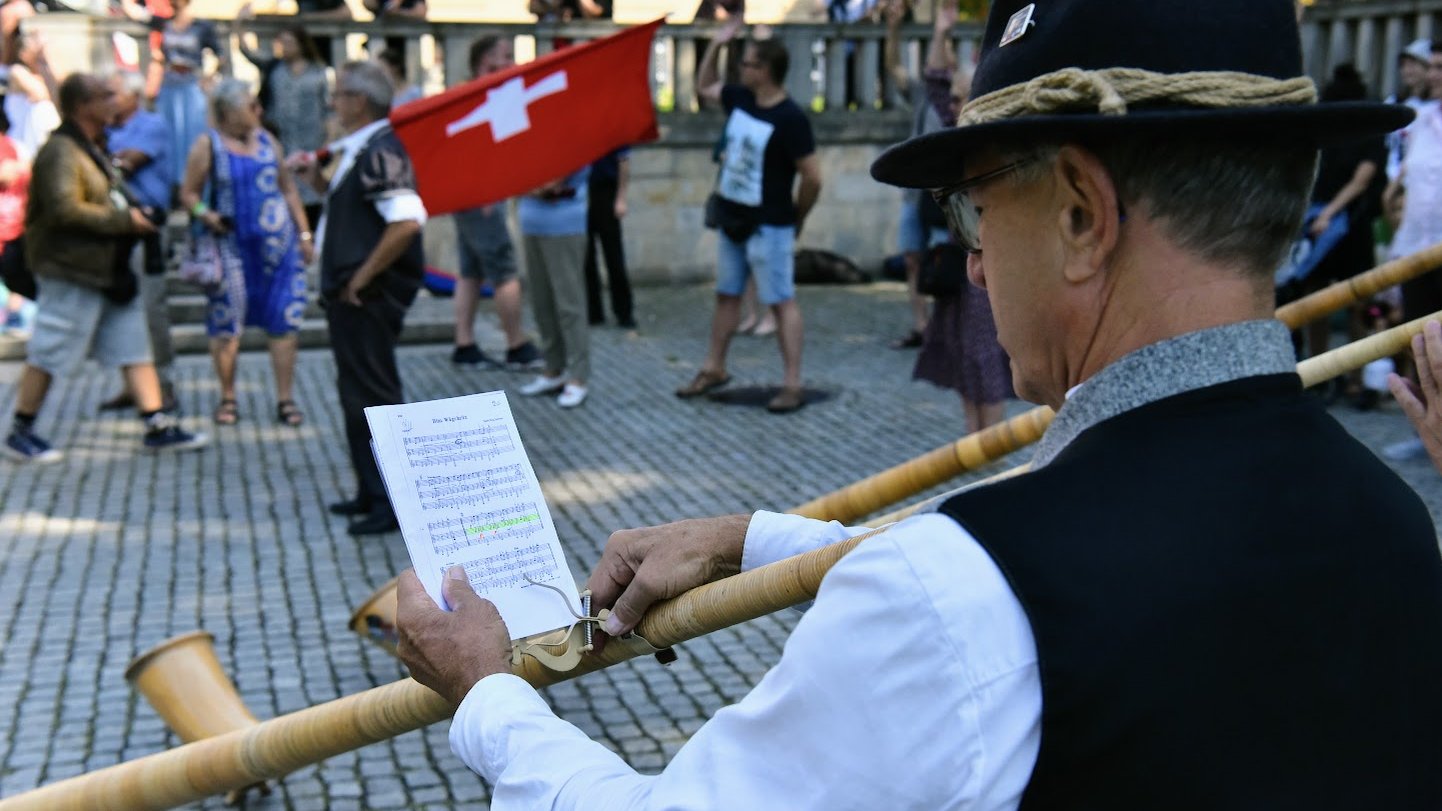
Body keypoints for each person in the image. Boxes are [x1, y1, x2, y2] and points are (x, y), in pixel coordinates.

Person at [395, 1, 1442, 807]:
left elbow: (976, 608)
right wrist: (753, 539)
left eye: (975, 204)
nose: (973, 264)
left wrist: (489, 694)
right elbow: (1051, 597)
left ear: (1080, 215)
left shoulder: (965, 587)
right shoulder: (1392, 520)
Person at [4, 73, 206, 462]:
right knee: (50, 349)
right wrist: (126, 221)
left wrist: (128, 216)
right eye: (106, 95)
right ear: (84, 106)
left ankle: (156, 423)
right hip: (73, 269)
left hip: (108, 269)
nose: (116, 102)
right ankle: (20, 431)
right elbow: (64, 210)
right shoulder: (62, 151)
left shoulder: (92, 147)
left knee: (133, 345)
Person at [293, 60, 425, 536]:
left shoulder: (381, 149)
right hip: (352, 297)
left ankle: (393, 505)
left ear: (360, 101)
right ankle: (371, 492)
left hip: (366, 298)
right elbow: (358, 211)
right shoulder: (364, 148)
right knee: (357, 397)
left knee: (376, 401)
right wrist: (317, 183)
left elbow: (407, 220)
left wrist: (361, 278)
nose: (333, 102)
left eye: (340, 94)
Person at [677, 19, 822, 414]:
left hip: (770, 224)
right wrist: (716, 46)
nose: (742, 68)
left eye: (749, 63)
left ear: (766, 71)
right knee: (727, 296)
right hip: (733, 220)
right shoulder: (740, 98)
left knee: (780, 301)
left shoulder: (791, 119)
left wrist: (798, 217)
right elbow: (702, 87)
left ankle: (792, 382)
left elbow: (813, 176)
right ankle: (714, 368)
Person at [178, 80, 313, 427]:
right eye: (251, 106)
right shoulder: (207, 145)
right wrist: (205, 215)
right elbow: (188, 194)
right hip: (231, 251)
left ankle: (286, 399)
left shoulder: (268, 141)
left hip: (278, 250)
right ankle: (228, 397)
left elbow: (289, 190)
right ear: (227, 112)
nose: (259, 111)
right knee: (226, 327)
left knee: (284, 323)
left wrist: (304, 233)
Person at [911, 64, 1013, 434]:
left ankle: (990, 443)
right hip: (956, 258)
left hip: (986, 263)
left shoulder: (992, 145)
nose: (952, 105)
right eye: (952, 98)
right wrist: (940, 30)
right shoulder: (955, 137)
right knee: (960, 351)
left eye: (960, 97)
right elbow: (935, 84)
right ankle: (973, 437)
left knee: (982, 352)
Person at [449, 36, 543, 372]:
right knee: (503, 270)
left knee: (471, 270)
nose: (511, 62)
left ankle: (465, 344)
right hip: (480, 199)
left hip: (476, 196)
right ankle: (516, 344)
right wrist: (486, 191)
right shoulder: (478, 97)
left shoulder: (487, 94)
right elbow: (475, 150)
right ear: (486, 61)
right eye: (505, 56)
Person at [1287, 64, 1386, 368]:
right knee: (1356, 301)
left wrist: (1322, 214)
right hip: (1349, 223)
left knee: (1318, 299)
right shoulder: (1369, 128)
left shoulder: (1323, 128)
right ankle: (1351, 376)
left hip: (1326, 221)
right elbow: (1361, 180)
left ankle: (1323, 369)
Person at [99, 71, 176, 413]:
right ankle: (133, 385)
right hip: (116, 228)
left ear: (133, 96)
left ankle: (164, 385)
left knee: (151, 309)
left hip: (147, 230)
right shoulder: (107, 129)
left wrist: (102, 162)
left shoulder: (151, 124)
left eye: (112, 93)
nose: (108, 100)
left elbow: (123, 165)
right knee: (122, 310)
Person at [884, 0, 955, 348]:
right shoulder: (924, 95)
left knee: (944, 262)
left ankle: (943, 328)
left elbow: (938, 70)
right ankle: (922, 327)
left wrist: (943, 30)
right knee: (913, 259)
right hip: (916, 193)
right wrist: (893, 29)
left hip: (944, 194)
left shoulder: (955, 102)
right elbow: (893, 66)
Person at [1384, 41, 1442, 459]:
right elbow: (1410, 171)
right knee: (1418, 336)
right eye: (1433, 67)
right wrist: (1391, 194)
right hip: (1418, 244)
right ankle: (1426, 428)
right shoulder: (1423, 118)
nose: (1435, 75)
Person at [235, 4, 331, 228]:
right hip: (283, 139)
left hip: (311, 139)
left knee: (311, 189)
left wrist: (328, 138)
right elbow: (247, 52)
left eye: (289, 42)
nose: (284, 47)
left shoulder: (318, 71)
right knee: (285, 187)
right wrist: (239, 24)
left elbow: (328, 109)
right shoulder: (274, 68)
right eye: (282, 42)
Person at [515, 167, 592, 409]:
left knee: (569, 305)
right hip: (532, 224)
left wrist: (523, 185)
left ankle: (579, 377)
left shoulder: (573, 137)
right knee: (542, 303)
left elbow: (551, 183)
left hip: (564, 226)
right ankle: (553, 369)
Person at [154, 0, 225, 185]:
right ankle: (174, 184)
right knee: (170, 134)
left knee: (193, 133)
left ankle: (195, 181)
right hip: (170, 86)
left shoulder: (201, 26)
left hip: (191, 87)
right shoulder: (164, 24)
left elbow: (221, 55)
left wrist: (209, 78)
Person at [584, 147, 636, 328]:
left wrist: (621, 198)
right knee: (586, 257)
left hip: (606, 191)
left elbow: (623, 162)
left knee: (613, 255)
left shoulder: (611, 125)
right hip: (583, 191)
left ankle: (624, 312)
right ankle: (593, 311)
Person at [4, 30, 58, 159]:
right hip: (21, 142)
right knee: (41, 107)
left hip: (43, 137)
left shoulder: (44, 74)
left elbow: (59, 95)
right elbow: (40, 94)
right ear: (23, 54)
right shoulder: (17, 71)